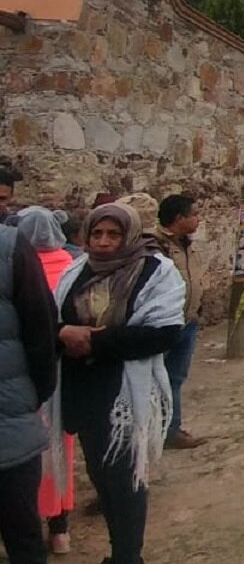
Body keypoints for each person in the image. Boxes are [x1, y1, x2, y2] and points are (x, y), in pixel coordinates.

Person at [51, 203, 183, 564]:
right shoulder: (75, 270)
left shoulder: (156, 272)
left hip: (124, 390)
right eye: (97, 233)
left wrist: (93, 341)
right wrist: (63, 332)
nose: (103, 242)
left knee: (124, 480)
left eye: (113, 234)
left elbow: (164, 332)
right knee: (100, 474)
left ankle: (128, 556)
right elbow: (50, 320)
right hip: (82, 390)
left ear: (131, 235)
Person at [1, 212, 58, 563]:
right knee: (23, 536)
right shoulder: (11, 246)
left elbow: (41, 331)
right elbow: (43, 330)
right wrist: (32, 395)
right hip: (11, 422)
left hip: (9, 422)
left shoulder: (10, 247)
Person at [15, 208, 74, 553]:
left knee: (22, 453)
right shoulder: (72, 266)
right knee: (58, 448)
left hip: (22, 377)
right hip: (60, 374)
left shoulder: (16, 266)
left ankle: (26, 526)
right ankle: (59, 528)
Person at [151, 194, 207, 450]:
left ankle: (171, 430)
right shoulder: (154, 246)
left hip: (188, 321)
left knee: (174, 377)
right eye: (194, 214)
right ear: (179, 218)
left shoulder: (187, 244)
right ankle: (150, 431)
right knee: (154, 379)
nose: (198, 219)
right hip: (164, 324)